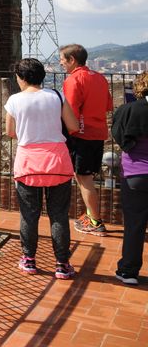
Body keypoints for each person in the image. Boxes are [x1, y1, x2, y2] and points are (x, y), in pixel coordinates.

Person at [4, 57, 80, 279]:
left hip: (28, 162)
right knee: (59, 215)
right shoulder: (56, 96)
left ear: (21, 78)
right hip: (57, 161)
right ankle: (62, 264)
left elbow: (10, 132)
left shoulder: (14, 100)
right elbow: (73, 126)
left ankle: (29, 259)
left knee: (29, 215)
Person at [59, 43, 114, 235]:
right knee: (85, 177)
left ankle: (96, 222)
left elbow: (70, 111)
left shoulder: (73, 80)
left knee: (84, 178)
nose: (61, 63)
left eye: (62, 60)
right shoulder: (99, 78)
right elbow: (108, 105)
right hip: (98, 132)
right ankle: (91, 215)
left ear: (72, 60)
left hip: (81, 135)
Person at [111, 71, 148, 286]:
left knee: (134, 225)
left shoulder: (127, 110)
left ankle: (128, 271)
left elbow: (118, 134)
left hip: (135, 173)